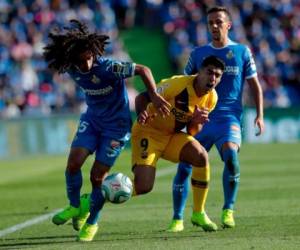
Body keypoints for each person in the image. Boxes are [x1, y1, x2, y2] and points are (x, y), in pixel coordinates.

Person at [43, 19, 170, 242]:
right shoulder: (71, 67)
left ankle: (92, 222)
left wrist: (154, 96)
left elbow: (143, 69)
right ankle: (75, 207)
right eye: (80, 61)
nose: (86, 65)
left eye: (88, 58)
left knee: (97, 177)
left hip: (116, 127)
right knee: (73, 164)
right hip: (92, 120)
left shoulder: (108, 67)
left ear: (93, 52)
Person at [168, 6, 265, 232]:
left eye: (218, 22)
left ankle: (228, 209)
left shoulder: (242, 51)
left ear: (228, 25)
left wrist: (260, 115)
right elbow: (183, 86)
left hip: (228, 117)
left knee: (231, 155)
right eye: (210, 22)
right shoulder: (198, 54)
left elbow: (255, 85)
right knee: (185, 166)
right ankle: (177, 218)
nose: (214, 26)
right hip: (200, 118)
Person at [132, 56, 225, 232]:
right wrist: (142, 114)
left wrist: (197, 121)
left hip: (171, 136)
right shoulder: (177, 84)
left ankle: (198, 212)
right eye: (209, 72)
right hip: (148, 133)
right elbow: (141, 98)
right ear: (199, 72)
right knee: (143, 186)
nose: (213, 78)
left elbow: (191, 132)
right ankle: (94, 199)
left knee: (200, 156)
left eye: (218, 75)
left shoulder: (212, 98)